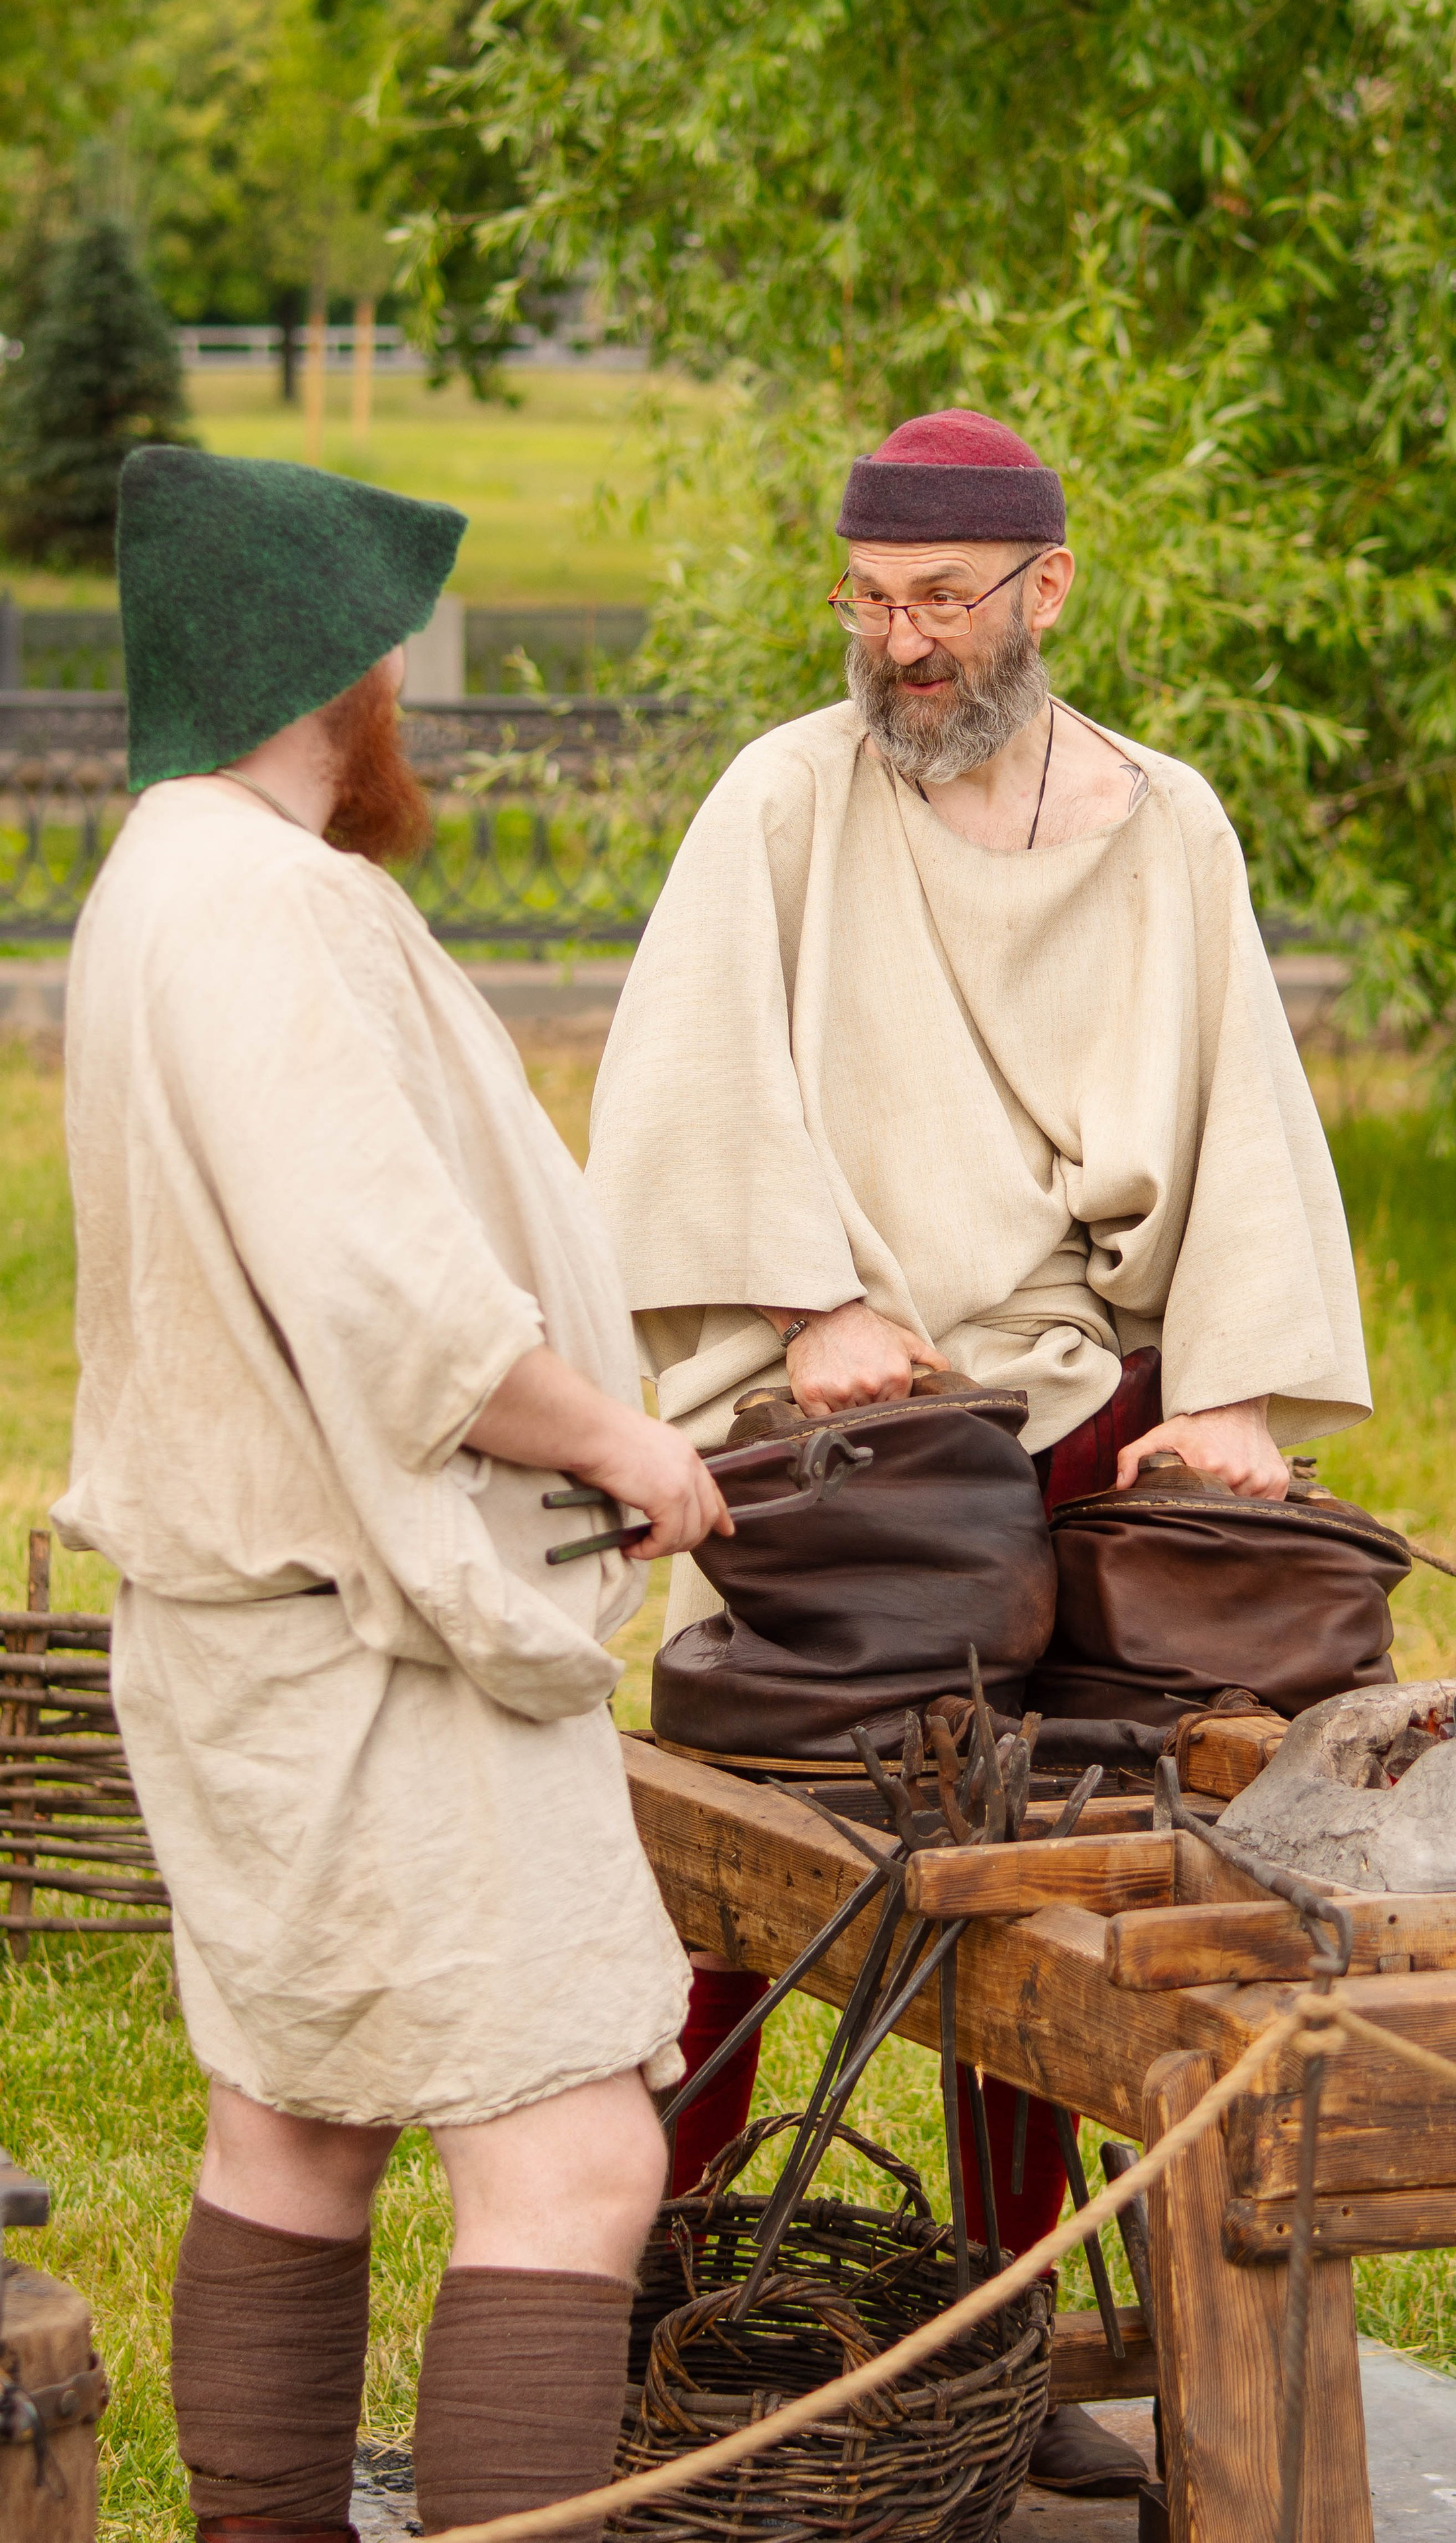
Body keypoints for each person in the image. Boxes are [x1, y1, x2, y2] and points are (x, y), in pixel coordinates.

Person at [586, 407, 1372, 2495]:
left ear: (1049, 589)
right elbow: (684, 1094)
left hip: (1088, 1424)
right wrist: (808, 1306)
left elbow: (1247, 1128)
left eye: (942, 602)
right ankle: (665, 2326)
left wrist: (1226, 1388)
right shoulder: (784, 802)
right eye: (867, 600)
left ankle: (1012, 2359)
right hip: (850, 1455)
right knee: (766, 1897)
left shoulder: (1170, 823)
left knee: (1079, 1900)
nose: (901, 645)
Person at [53, 445, 730, 2543]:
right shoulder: (270, 902)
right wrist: (622, 1440)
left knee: (292, 2131)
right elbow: (393, 1303)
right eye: (382, 663)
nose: (399, 706)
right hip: (373, 1644)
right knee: (576, 2162)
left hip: (239, 1637)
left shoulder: (150, 878)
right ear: (323, 669)